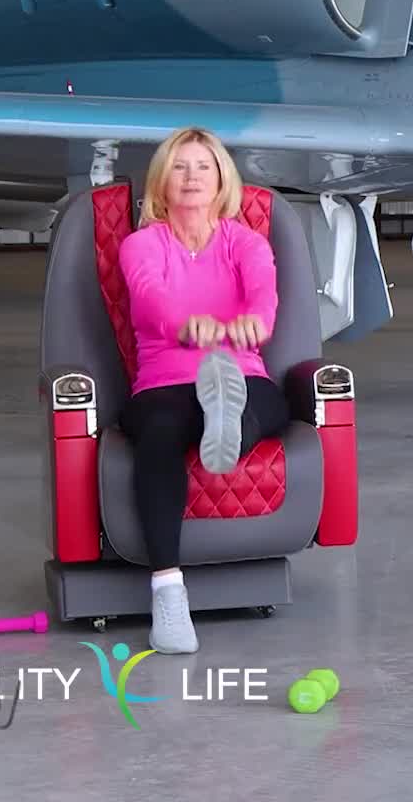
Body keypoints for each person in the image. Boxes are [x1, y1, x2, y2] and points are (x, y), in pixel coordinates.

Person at [116, 126, 292, 655]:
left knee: (261, 399)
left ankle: (229, 420)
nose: (192, 178)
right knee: (162, 431)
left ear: (222, 182)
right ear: (161, 183)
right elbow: (149, 298)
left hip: (237, 371)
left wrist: (254, 325)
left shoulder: (247, 242)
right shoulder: (141, 244)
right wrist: (187, 325)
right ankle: (169, 589)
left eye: (204, 167)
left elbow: (264, 295)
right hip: (165, 380)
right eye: (180, 167)